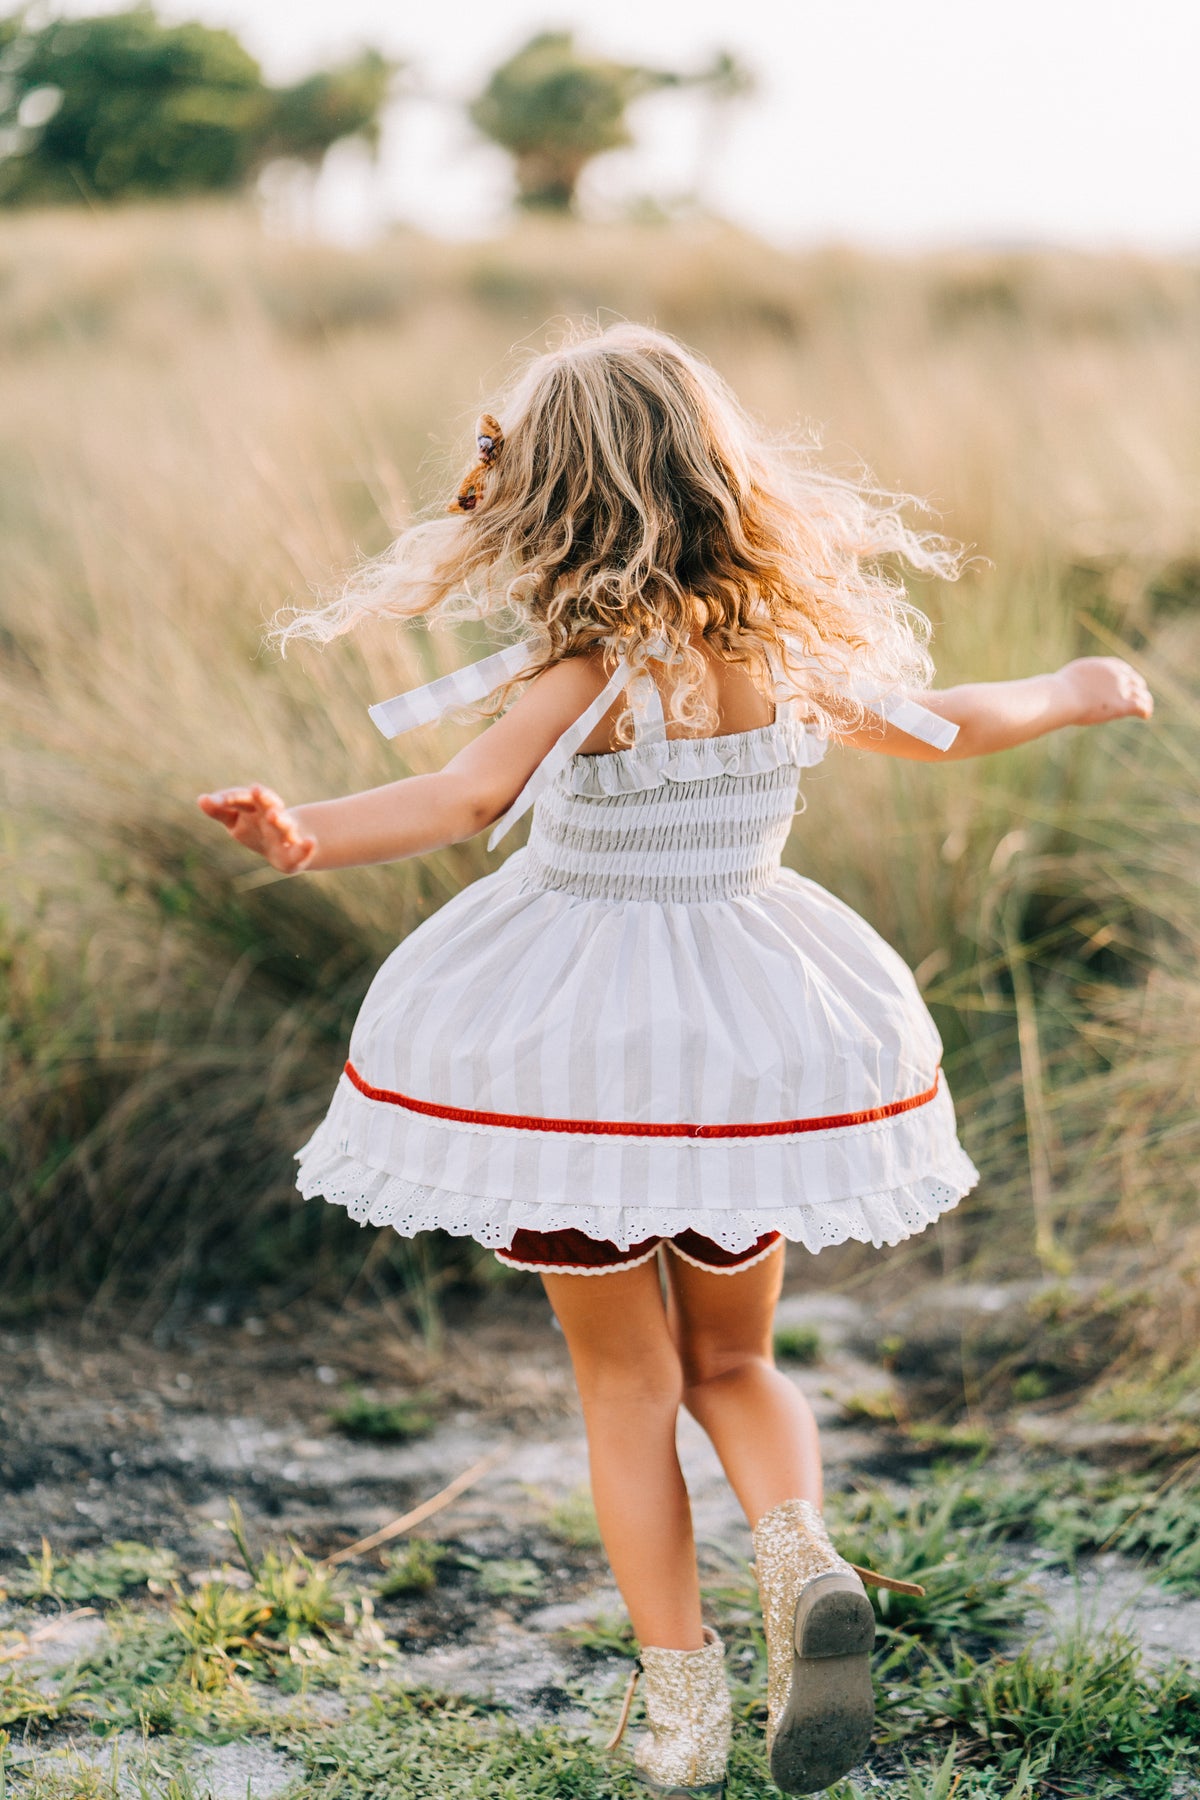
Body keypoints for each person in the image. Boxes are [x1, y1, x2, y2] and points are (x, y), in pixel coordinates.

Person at [198, 323, 1152, 1798]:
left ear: (559, 496)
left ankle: (685, 1703)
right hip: (746, 1044)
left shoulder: (584, 668)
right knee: (740, 1357)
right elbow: (953, 726)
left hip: (580, 1058)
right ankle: (799, 1547)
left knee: (627, 1390)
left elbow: (462, 800)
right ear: (718, 475)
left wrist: (305, 833)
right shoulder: (780, 650)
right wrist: (1076, 685)